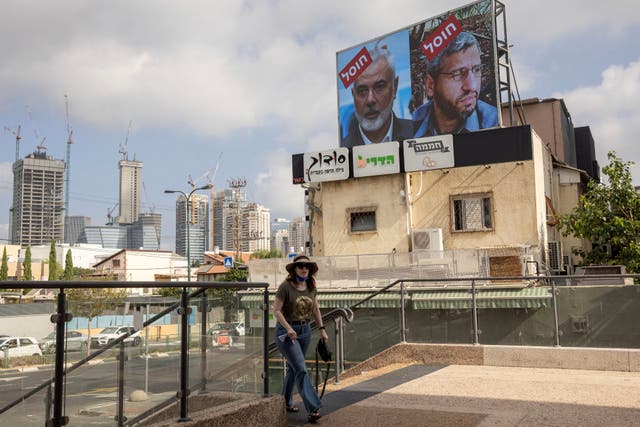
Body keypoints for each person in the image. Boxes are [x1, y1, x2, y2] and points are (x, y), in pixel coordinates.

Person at [274, 254, 328, 423]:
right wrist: (289, 329)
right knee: (301, 369)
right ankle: (313, 408)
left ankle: (285, 402)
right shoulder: (285, 287)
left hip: (305, 331)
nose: (304, 268)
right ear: (294, 269)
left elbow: (315, 309)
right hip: (287, 333)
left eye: (307, 266)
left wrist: (322, 329)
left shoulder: (312, 287)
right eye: (301, 266)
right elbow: (276, 311)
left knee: (293, 368)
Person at [412, 31, 499, 137]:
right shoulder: (411, 125)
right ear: (430, 85)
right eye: (457, 73)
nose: (472, 86)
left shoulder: (494, 123)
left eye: (476, 69)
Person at [341, 42, 414, 148]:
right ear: (353, 95)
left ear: (395, 87)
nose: (370, 100)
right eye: (362, 90)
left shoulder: (417, 135)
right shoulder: (344, 151)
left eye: (379, 87)